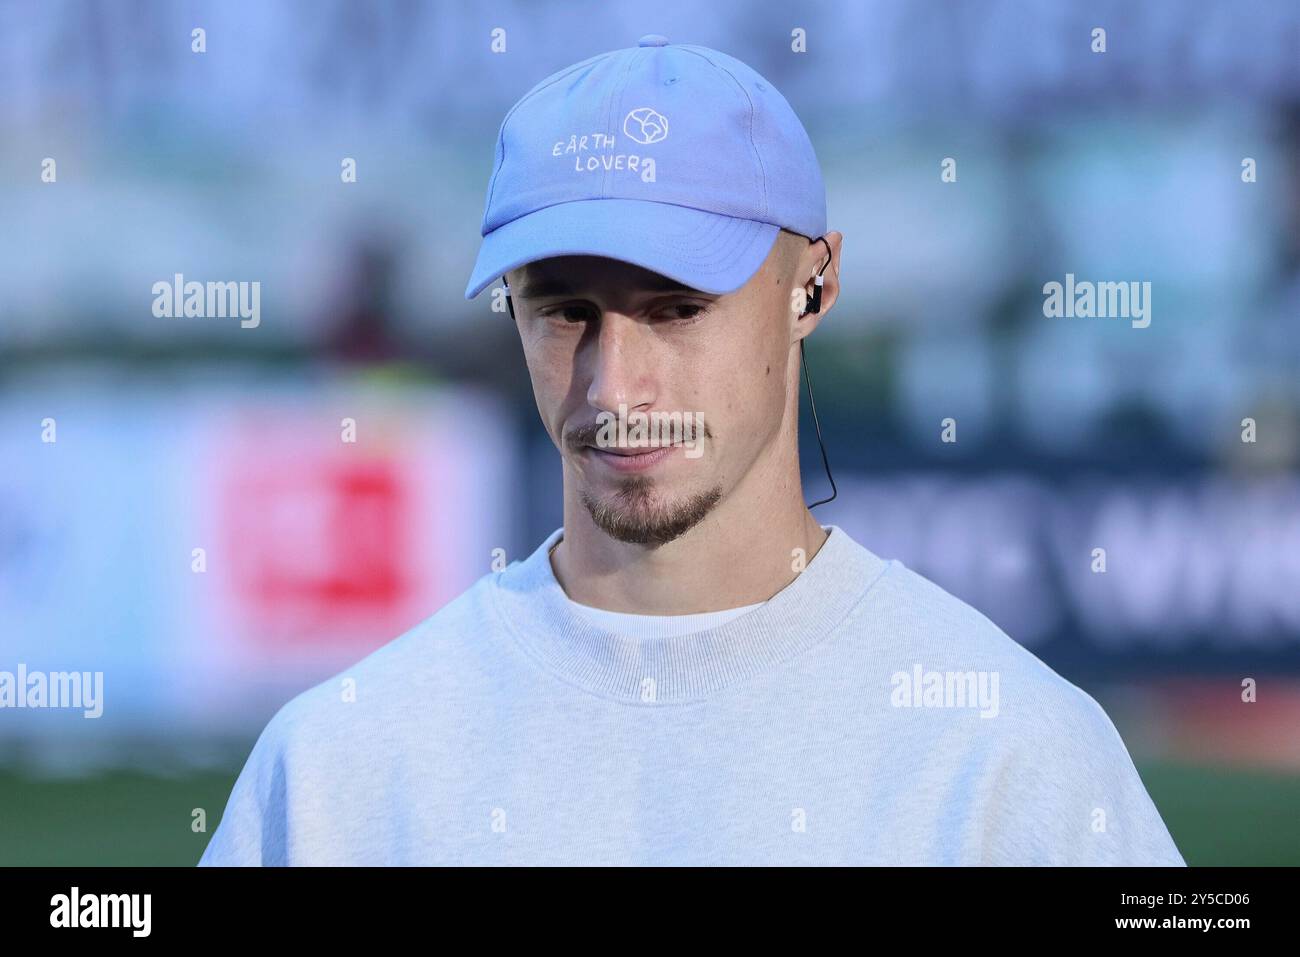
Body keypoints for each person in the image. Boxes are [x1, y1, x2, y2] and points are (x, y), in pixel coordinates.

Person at [199, 35, 1184, 866]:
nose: (613, 388)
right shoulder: (339, 767)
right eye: (564, 312)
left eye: (677, 307)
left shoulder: (1010, 756)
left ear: (814, 284)